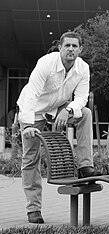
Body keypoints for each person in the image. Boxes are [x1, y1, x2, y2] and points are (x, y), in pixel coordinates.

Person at [17, 31, 101, 224]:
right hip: (34, 111)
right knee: (30, 159)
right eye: (67, 46)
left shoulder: (83, 68)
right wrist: (28, 125)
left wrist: (68, 111)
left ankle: (85, 166)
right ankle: (33, 209)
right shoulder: (46, 63)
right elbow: (32, 93)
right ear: (60, 48)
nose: (70, 49)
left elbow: (81, 98)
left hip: (59, 109)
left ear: (81, 49)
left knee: (85, 113)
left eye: (74, 46)